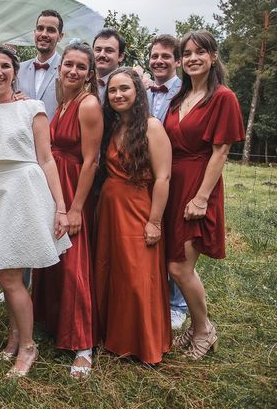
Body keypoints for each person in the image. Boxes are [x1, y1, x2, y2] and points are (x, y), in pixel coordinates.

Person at [0, 46, 71, 377]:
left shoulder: (32, 108)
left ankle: (28, 347)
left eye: (5, 66)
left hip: (23, 189)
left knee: (10, 276)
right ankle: (14, 335)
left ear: (14, 72)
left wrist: (61, 208)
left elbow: (47, 159)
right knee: (7, 274)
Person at [164, 30, 245, 360]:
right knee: (174, 263)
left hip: (200, 184)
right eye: (187, 53)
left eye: (201, 52)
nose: (193, 58)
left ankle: (203, 330)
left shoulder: (223, 97)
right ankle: (198, 327)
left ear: (213, 57)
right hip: (173, 185)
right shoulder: (178, 99)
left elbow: (221, 151)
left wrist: (201, 198)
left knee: (180, 266)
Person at [32, 42, 103, 378]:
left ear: (90, 74)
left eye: (80, 67)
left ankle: (83, 344)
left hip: (75, 186)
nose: (72, 71)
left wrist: (75, 209)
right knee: (53, 254)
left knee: (74, 259)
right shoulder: (63, 102)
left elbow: (91, 162)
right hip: (55, 186)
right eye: (68, 65)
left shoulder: (87, 104)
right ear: (60, 68)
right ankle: (53, 320)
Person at [94, 67, 173, 364]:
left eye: (124, 88)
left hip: (138, 209)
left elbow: (163, 178)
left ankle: (143, 342)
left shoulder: (152, 126)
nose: (118, 95)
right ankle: (112, 336)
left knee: (138, 275)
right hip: (110, 210)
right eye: (113, 90)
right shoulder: (112, 127)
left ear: (138, 92)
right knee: (111, 271)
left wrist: (154, 222)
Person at [146, 34, 187, 331]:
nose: (159, 61)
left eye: (165, 57)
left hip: (174, 171)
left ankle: (177, 304)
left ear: (177, 61)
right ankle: (154, 293)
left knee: (172, 235)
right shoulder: (143, 90)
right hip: (144, 175)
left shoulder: (185, 92)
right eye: (155, 56)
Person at [16, 9, 64, 120]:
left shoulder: (67, 71)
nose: (44, 34)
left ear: (60, 36)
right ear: (34, 32)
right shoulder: (18, 69)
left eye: (51, 30)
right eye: (40, 28)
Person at [92, 28, 126, 103]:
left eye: (109, 50)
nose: (102, 54)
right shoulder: (84, 81)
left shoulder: (128, 85)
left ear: (120, 56)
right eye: (98, 50)